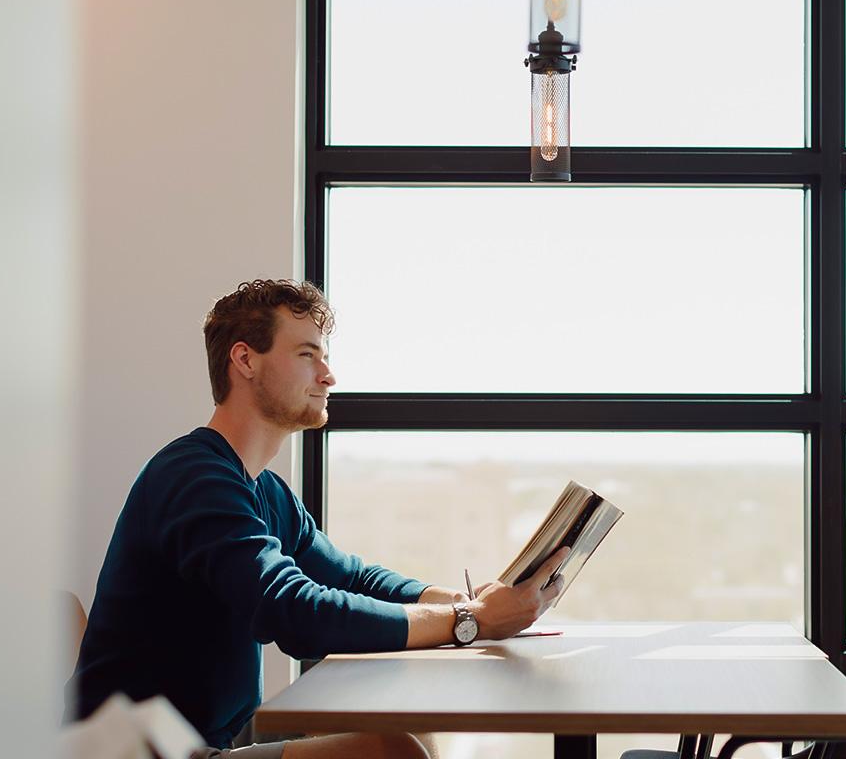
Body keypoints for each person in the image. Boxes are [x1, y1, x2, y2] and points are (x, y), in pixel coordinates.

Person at [65, 279, 568, 758]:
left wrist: (455, 601)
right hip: (145, 751)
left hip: (211, 737)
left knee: (400, 716)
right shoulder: (194, 477)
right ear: (245, 359)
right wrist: (471, 623)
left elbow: (351, 576)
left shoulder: (264, 490)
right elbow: (294, 612)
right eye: (308, 355)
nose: (328, 376)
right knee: (389, 752)